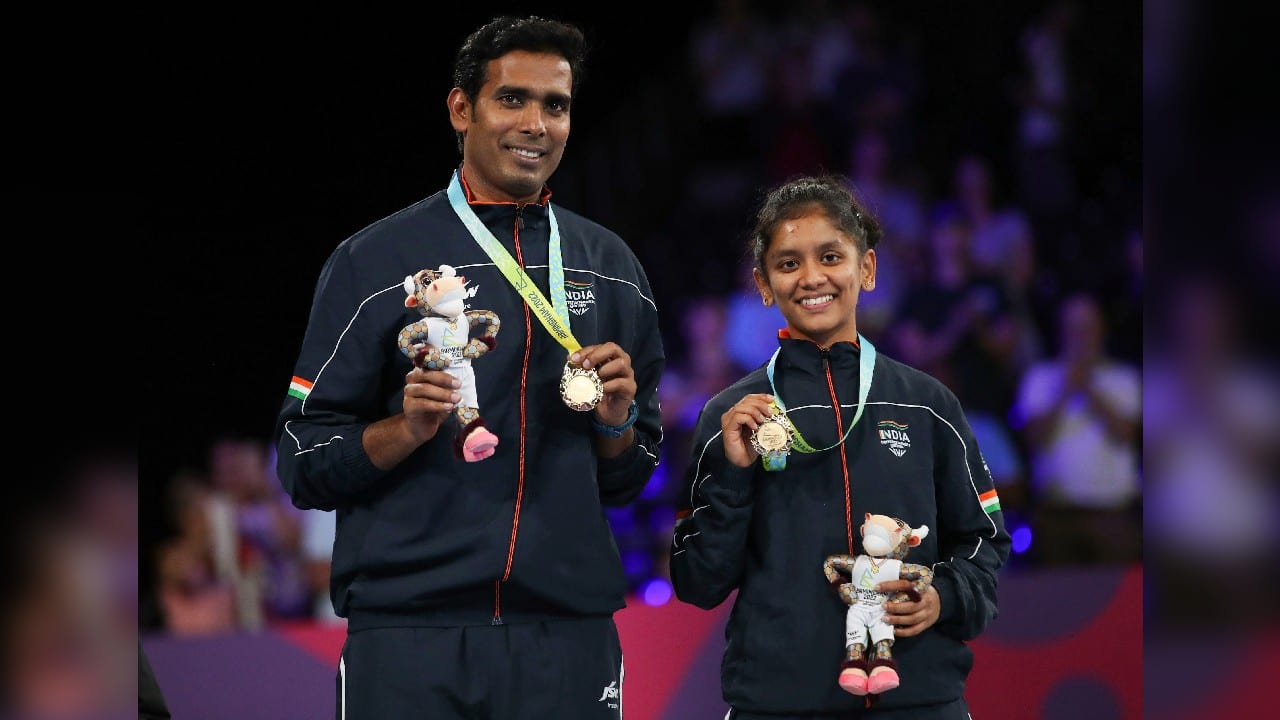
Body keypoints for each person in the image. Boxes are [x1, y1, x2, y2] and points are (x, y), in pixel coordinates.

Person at [273, 15, 665, 720]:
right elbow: (303, 457)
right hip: (409, 635)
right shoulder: (374, 262)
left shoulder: (612, 270)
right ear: (461, 108)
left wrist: (617, 422)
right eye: (512, 99)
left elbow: (629, 477)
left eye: (556, 105)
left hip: (567, 636)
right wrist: (406, 428)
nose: (537, 124)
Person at [669, 174, 1010, 719]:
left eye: (831, 256)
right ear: (763, 284)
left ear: (867, 268)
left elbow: (984, 541)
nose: (811, 278)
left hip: (918, 701)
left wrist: (945, 596)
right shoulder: (730, 416)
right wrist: (732, 475)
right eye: (787, 263)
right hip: (779, 706)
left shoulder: (927, 405)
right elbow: (697, 580)